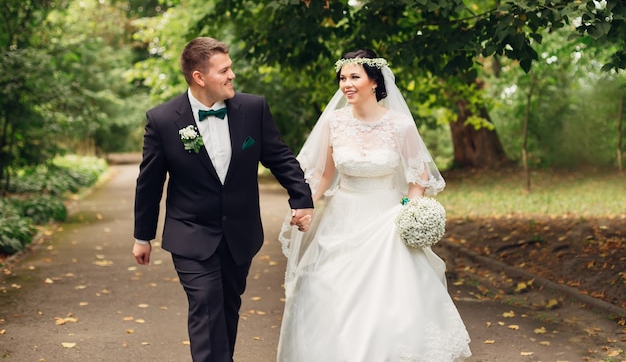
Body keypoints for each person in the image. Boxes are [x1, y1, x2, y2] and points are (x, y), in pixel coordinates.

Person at [277, 49, 471, 361]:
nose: (346, 84)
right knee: (334, 292)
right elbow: (325, 175)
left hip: (387, 220)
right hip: (343, 219)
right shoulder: (334, 123)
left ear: (374, 82)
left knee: (390, 298)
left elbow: (418, 174)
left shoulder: (400, 125)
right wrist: (305, 206)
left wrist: (411, 208)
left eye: (355, 77)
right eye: (343, 78)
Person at [132, 37, 314, 362]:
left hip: (239, 235)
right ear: (199, 77)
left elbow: (279, 156)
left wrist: (302, 198)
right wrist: (142, 236)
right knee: (205, 305)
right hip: (190, 234)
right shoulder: (162, 120)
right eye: (224, 70)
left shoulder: (253, 108)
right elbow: (149, 183)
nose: (233, 75)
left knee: (226, 309)